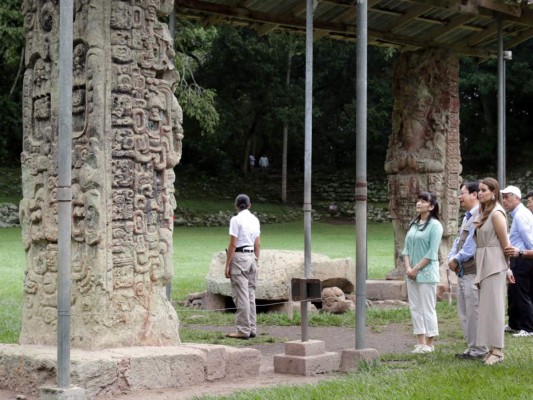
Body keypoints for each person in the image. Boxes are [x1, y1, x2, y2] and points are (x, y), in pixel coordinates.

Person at [473, 178, 513, 365]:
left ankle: (498, 350)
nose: (479, 193)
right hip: (483, 262)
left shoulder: (497, 214)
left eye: (483, 190)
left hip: (495, 264)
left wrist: (508, 268)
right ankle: (491, 348)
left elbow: (507, 246)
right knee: (487, 307)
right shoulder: (484, 212)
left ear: (493, 192)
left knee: (495, 307)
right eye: (479, 190)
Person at [448, 181, 487, 359]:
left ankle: (479, 349)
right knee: (464, 311)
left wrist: (456, 259)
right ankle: (471, 347)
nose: (459, 197)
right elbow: (458, 241)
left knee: (474, 312)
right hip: (462, 271)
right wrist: (451, 258)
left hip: (472, 271)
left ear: (474, 195)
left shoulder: (480, 215)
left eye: (462, 193)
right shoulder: (467, 216)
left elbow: (471, 245)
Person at [402, 191, 443, 354]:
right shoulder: (414, 223)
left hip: (426, 273)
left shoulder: (435, 226)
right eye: (418, 200)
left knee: (427, 308)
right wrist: (408, 268)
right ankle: (420, 341)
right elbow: (406, 249)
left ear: (431, 206)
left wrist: (416, 268)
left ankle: (430, 343)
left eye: (424, 201)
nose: (419, 203)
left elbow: (432, 253)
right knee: (415, 307)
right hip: (411, 273)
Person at [224, 194, 261, 339]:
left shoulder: (236, 220)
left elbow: (233, 244)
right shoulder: (255, 220)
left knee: (242, 295)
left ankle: (243, 330)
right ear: (249, 205)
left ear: (236, 205)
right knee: (251, 294)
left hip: (240, 257)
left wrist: (227, 264)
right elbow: (257, 244)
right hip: (252, 256)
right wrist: (256, 260)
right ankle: (252, 328)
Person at [501, 185, 533, 337]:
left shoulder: (520, 215)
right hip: (519, 258)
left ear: (517, 198)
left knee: (521, 293)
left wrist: (523, 253)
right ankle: (514, 323)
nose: (505, 200)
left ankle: (528, 328)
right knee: (513, 292)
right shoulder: (518, 214)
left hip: (522, 259)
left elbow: (529, 241)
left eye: (508, 197)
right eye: (504, 197)